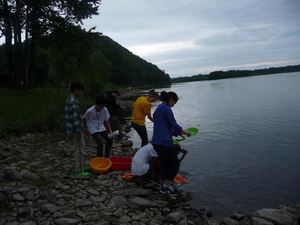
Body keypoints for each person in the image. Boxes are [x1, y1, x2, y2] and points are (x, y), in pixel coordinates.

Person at [151, 91, 191, 196]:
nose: (173, 105)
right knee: (175, 164)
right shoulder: (167, 109)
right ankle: (166, 186)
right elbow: (173, 124)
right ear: (171, 99)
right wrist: (183, 131)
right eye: (174, 103)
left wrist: (178, 134)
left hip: (156, 142)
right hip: (164, 142)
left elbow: (165, 127)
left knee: (165, 163)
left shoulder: (159, 108)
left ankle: (164, 182)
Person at [64, 82, 89, 175]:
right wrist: (79, 131)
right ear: (76, 90)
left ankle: (81, 165)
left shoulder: (70, 99)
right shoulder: (73, 101)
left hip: (74, 129)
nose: (81, 93)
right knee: (80, 150)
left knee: (81, 147)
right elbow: (75, 118)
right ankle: (79, 170)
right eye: (81, 91)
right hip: (76, 130)